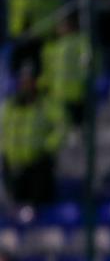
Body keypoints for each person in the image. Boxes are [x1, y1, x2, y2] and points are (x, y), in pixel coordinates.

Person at [1, 67, 64, 207]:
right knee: (15, 206)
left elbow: (62, 126)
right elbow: (3, 129)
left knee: (39, 204)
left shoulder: (45, 104)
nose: (25, 85)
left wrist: (48, 146)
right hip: (13, 164)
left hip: (38, 164)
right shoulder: (10, 106)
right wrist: (5, 150)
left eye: (29, 81)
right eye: (22, 81)